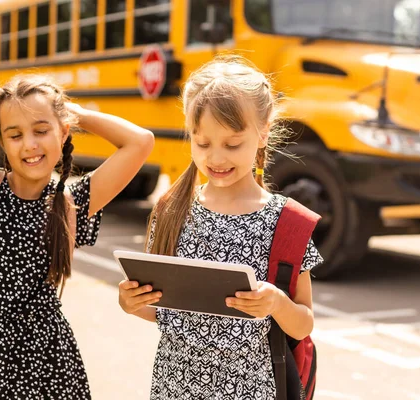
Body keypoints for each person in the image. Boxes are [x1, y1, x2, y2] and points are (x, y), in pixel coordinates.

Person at [0, 74, 154, 399]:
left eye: (41, 130)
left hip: (50, 370)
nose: (30, 144)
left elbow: (141, 141)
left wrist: (65, 110)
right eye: (14, 134)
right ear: (0, 141)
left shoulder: (72, 202)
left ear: (63, 133)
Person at [118, 55, 323, 399]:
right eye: (202, 144)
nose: (215, 158)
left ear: (263, 134)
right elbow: (166, 313)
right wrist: (130, 302)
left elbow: (304, 324)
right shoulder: (171, 210)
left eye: (231, 144)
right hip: (174, 388)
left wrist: (276, 304)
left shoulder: (286, 222)